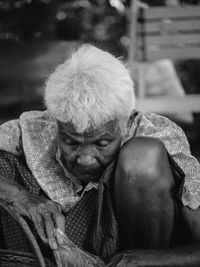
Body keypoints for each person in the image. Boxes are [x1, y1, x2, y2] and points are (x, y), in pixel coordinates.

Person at [0, 44, 200, 266]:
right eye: (71, 142)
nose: (86, 158)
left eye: (102, 143)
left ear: (125, 121)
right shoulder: (36, 128)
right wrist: (19, 196)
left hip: (140, 249)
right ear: (56, 122)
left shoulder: (157, 134)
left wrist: (158, 259)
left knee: (141, 157)